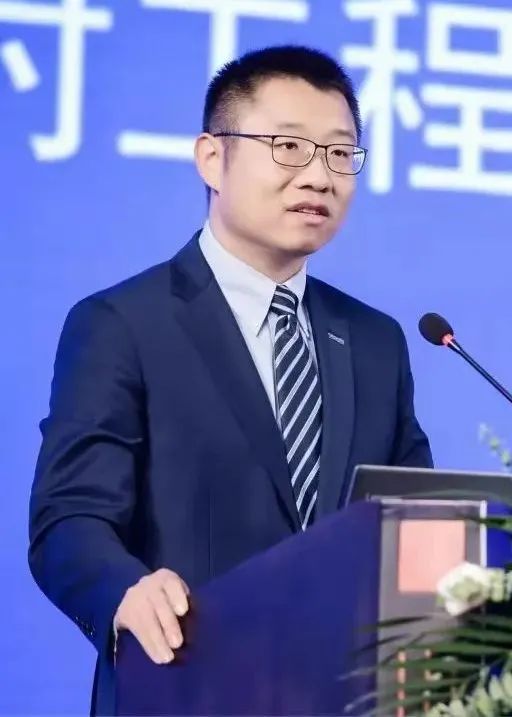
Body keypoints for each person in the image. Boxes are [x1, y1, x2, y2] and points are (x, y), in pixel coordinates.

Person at [28, 44, 433, 715]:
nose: (319, 176)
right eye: (289, 147)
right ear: (212, 158)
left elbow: (413, 520)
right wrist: (124, 589)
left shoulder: (375, 341)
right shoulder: (123, 323)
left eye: (340, 153)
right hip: (185, 687)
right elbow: (70, 519)